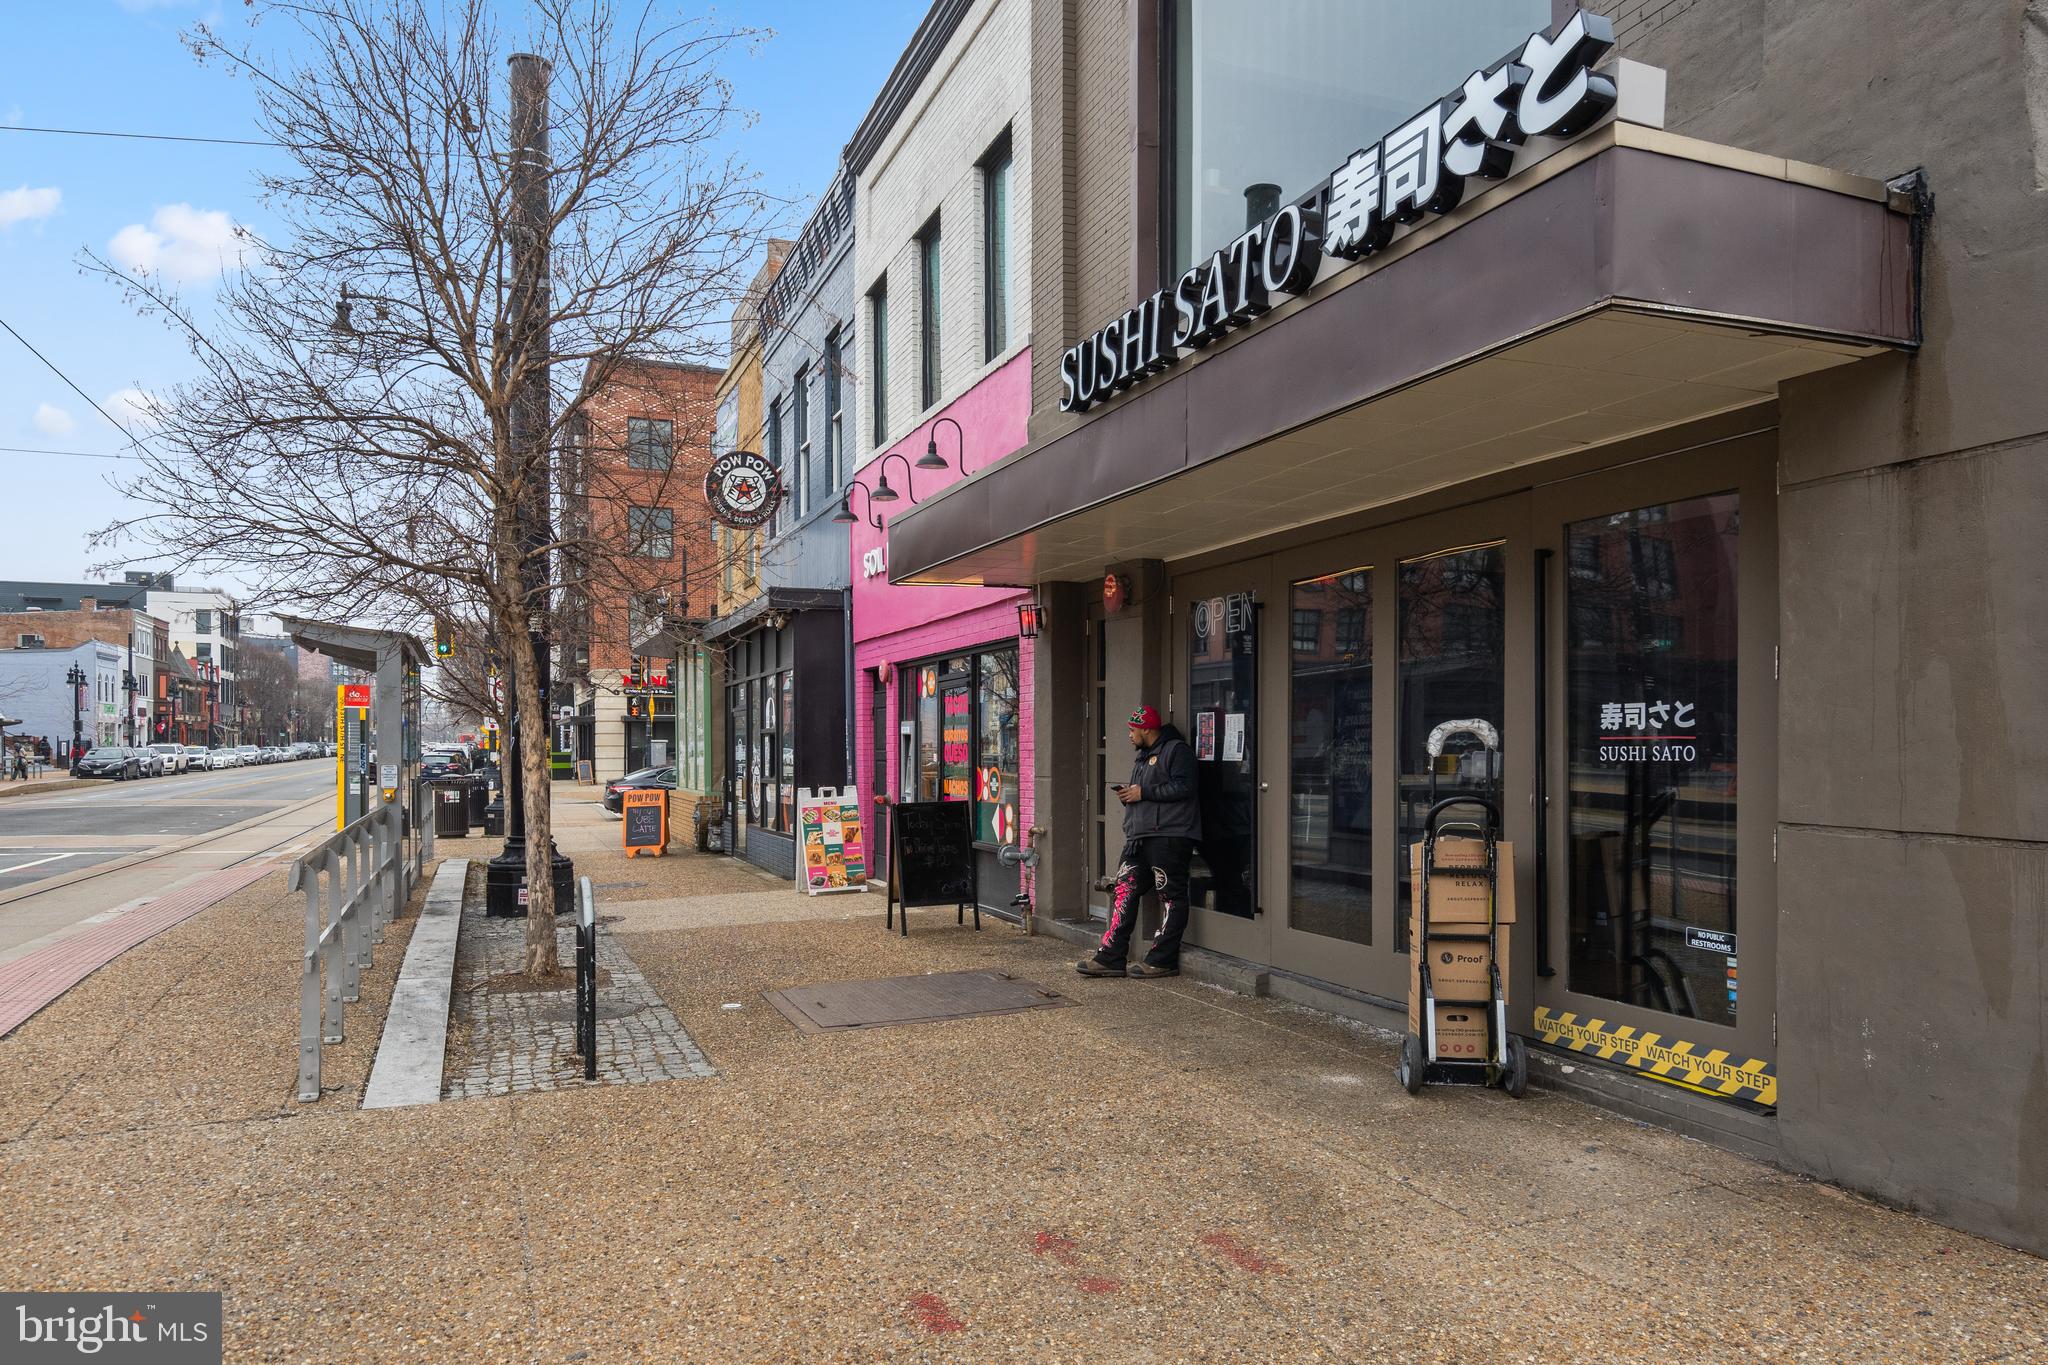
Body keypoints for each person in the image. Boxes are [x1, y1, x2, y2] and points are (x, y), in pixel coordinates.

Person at [1078, 704, 1202, 979]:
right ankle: (1111, 957)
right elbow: (1144, 794)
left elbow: (1185, 786)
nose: (1129, 735)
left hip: (1169, 835)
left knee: (1170, 896)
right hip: (1139, 838)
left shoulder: (1176, 751)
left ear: (1146, 728)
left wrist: (1142, 792)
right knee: (1124, 890)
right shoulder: (1143, 757)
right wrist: (1132, 795)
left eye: (1132, 730)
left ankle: (1162, 960)